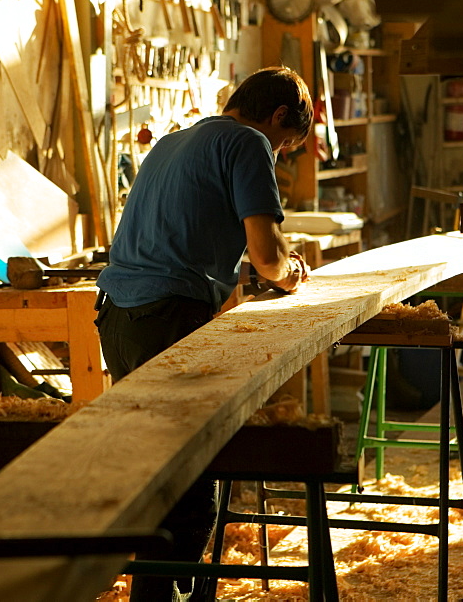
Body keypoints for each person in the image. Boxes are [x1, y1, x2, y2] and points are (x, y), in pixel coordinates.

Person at [94, 66, 313, 601]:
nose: (279, 155)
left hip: (117, 316)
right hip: (165, 319)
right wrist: (292, 272)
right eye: (286, 145)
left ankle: (159, 590)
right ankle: (158, 597)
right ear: (278, 117)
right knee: (190, 486)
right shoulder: (247, 142)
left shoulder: (173, 141)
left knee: (154, 472)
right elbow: (266, 256)